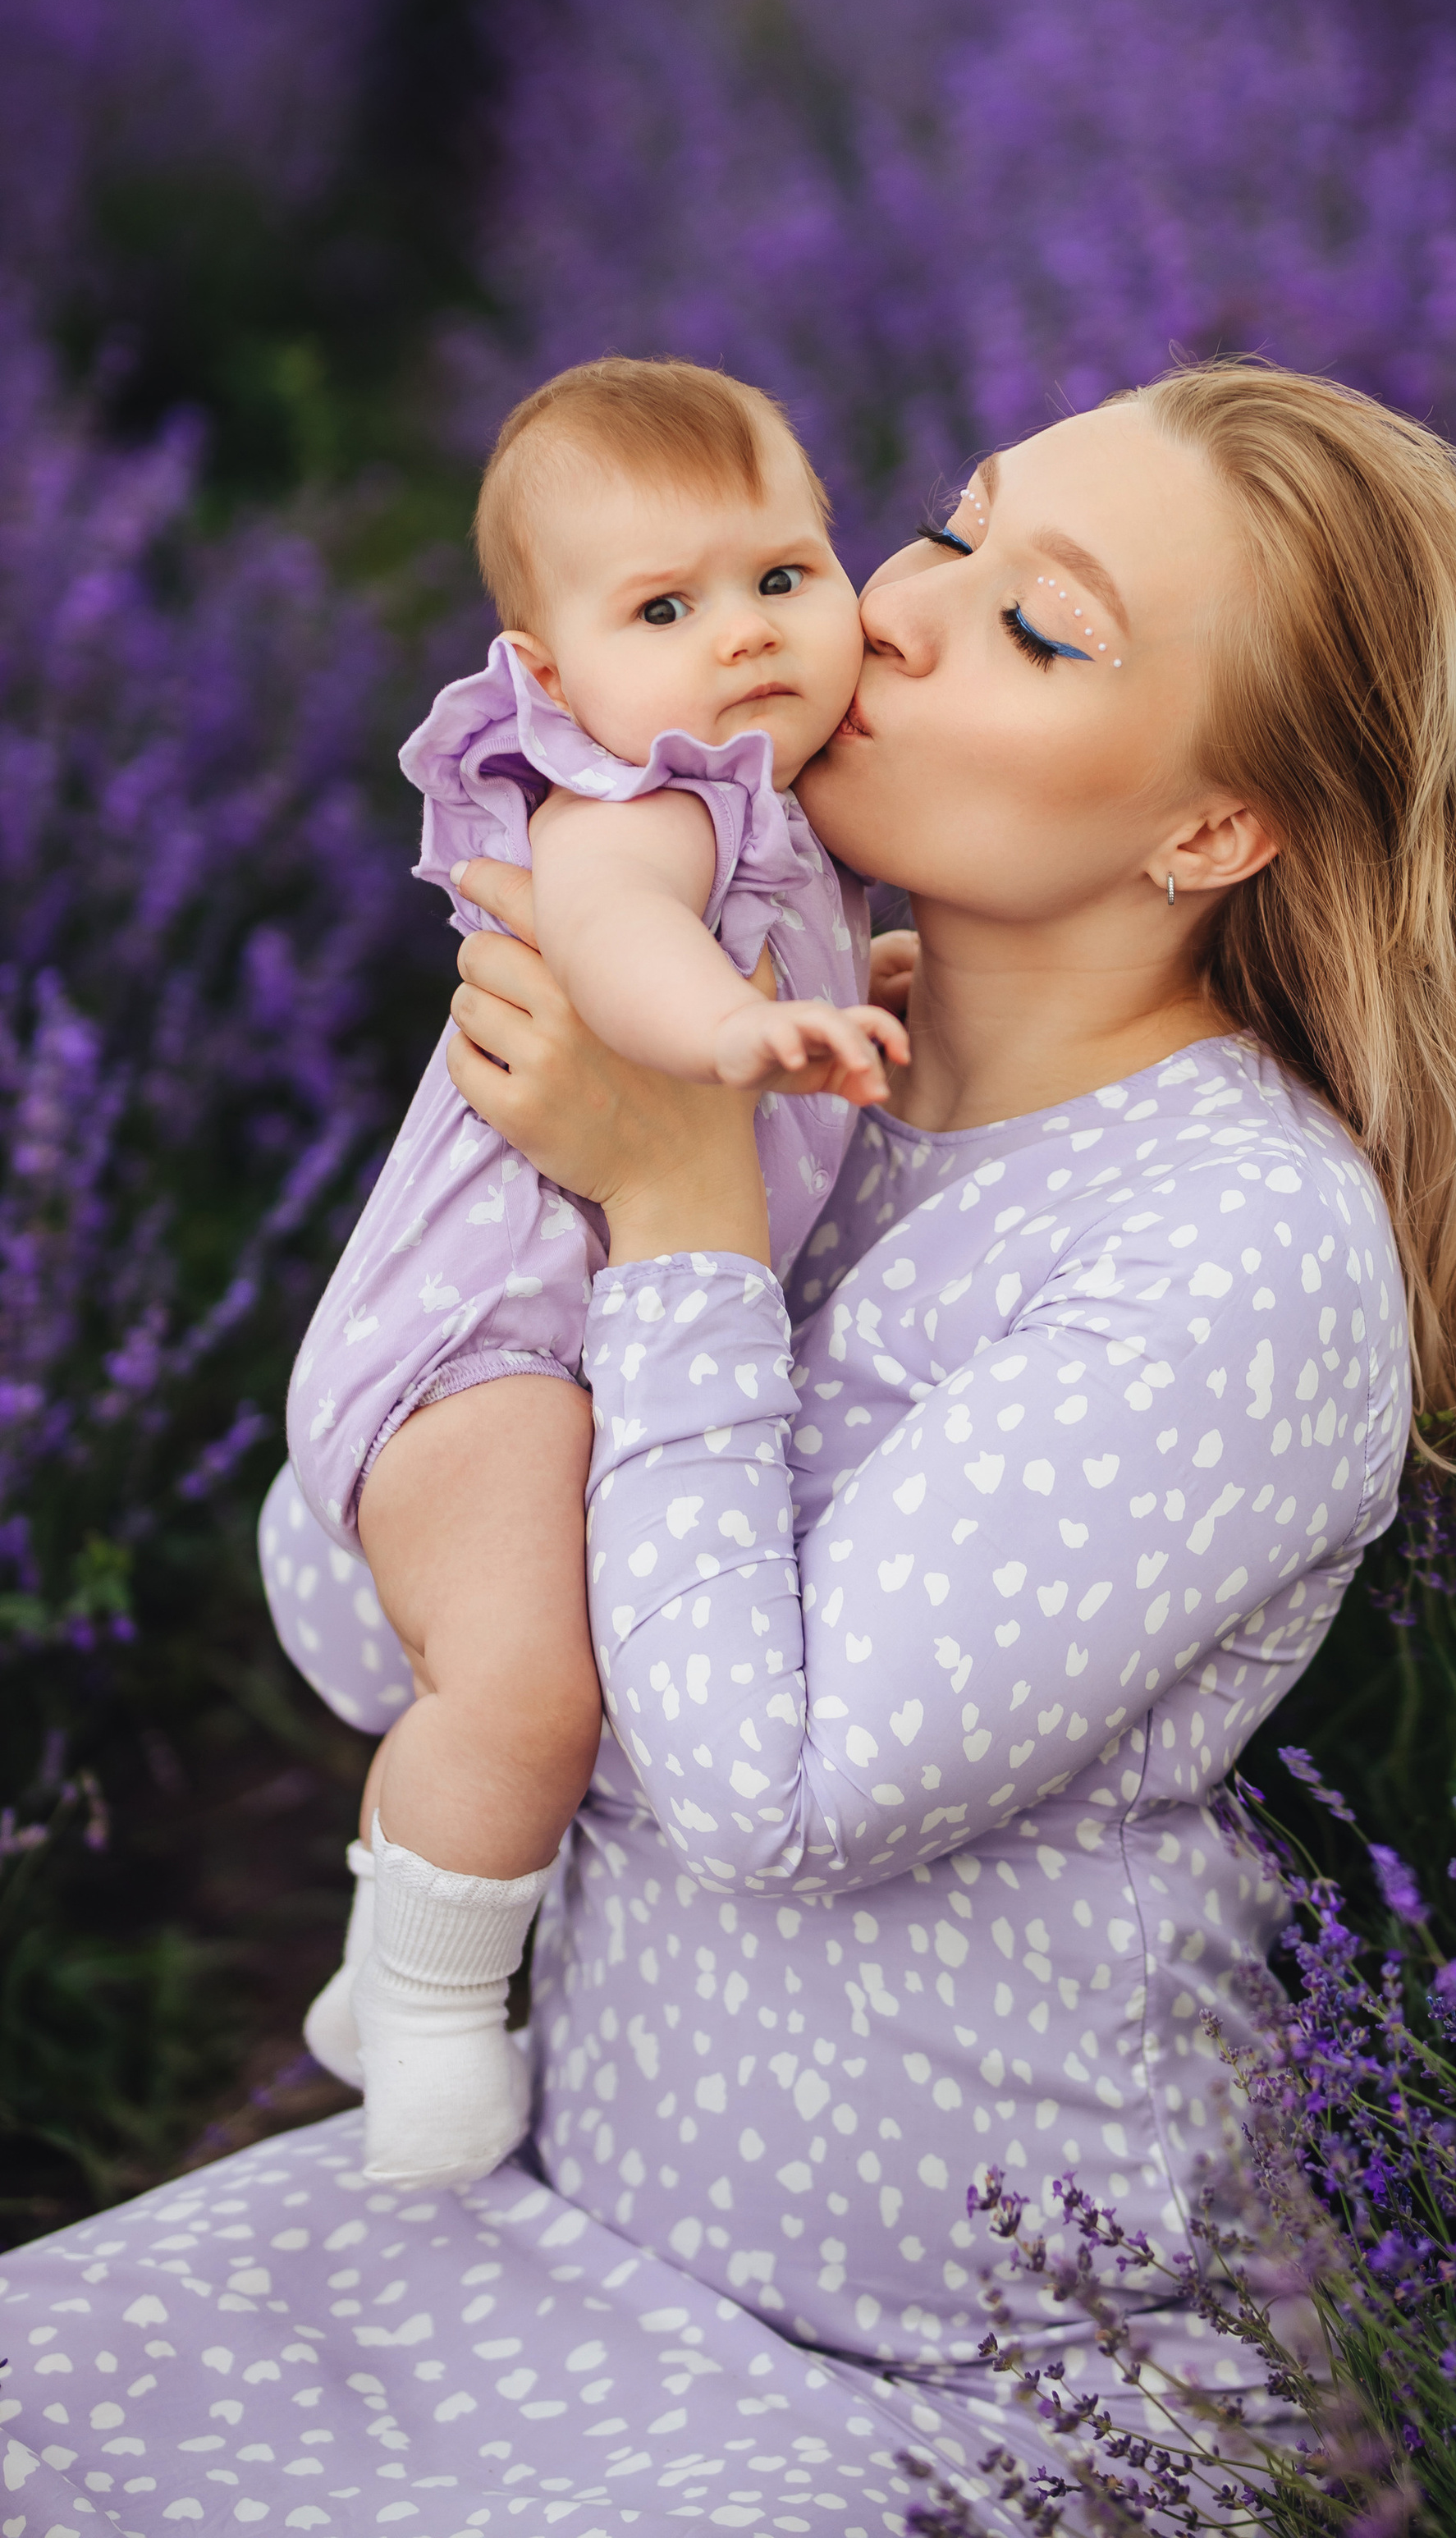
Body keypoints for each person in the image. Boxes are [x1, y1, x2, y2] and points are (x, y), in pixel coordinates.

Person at [0, 363, 1456, 2538]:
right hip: (561, 2224)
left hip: (971, 2383)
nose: (899, 614)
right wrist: (534, 1195)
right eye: (944, 529)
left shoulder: (1235, 1246)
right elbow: (359, 1621)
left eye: (1043, 626)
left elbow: (778, 1793)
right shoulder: (784, 1051)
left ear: (1210, 829)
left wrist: (674, 1213)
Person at [287, 355, 907, 2193]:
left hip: (559, 1348)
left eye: (783, 576)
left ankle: (376, 1949)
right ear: (547, 677)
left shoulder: (777, 820)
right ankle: (420, 2016)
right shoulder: (638, 795)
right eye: (664, 607)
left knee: (516, 1664)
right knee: (530, 1685)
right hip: (471, 1345)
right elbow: (623, 936)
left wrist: (828, 999)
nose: (742, 637)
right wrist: (729, 1029)